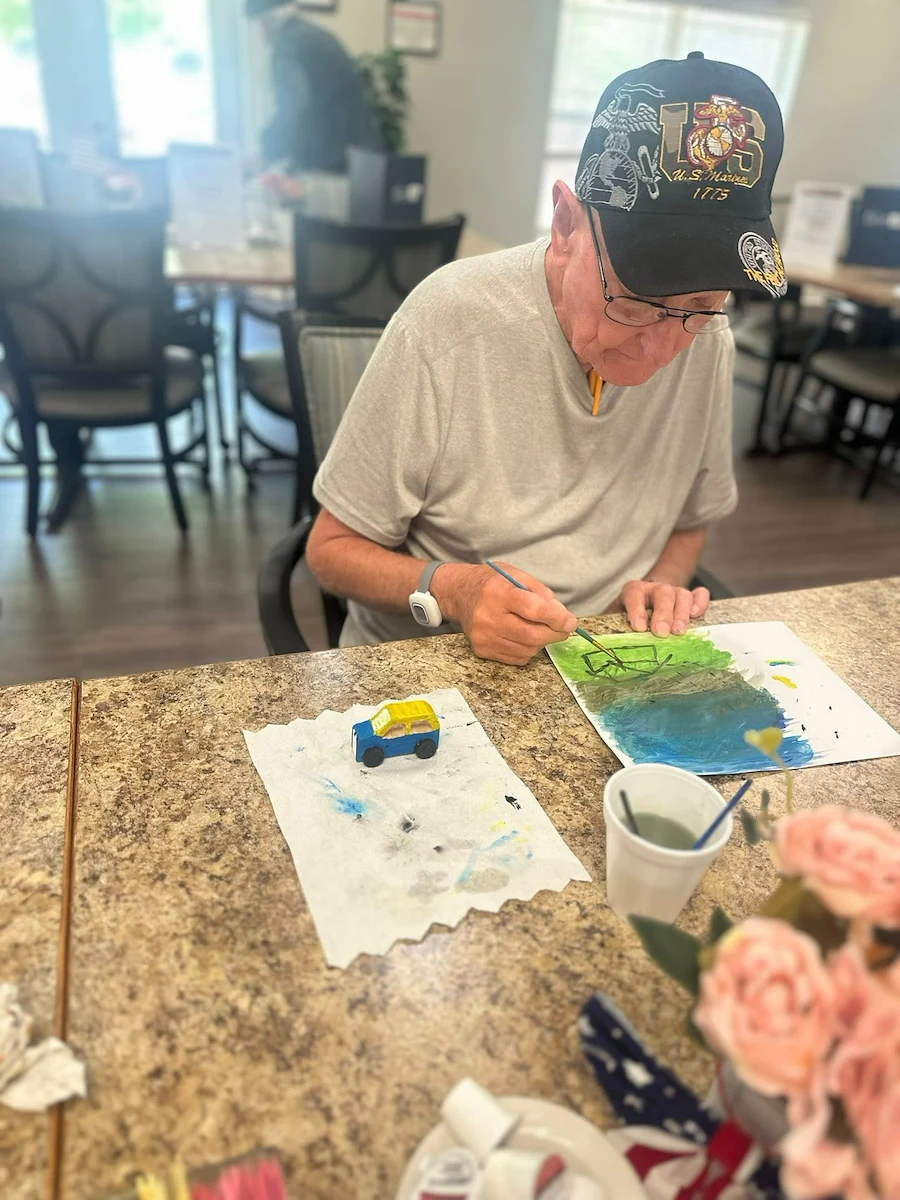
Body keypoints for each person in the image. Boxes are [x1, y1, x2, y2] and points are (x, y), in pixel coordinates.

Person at [306, 53, 787, 665]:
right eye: (636, 303)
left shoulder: (707, 340)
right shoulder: (448, 320)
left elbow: (693, 518)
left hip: (605, 660)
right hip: (436, 669)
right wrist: (455, 588)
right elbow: (330, 549)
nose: (663, 347)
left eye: (700, 304)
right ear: (566, 223)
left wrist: (664, 580)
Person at [246, 0, 384, 175]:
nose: (261, 36)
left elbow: (295, 109)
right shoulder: (319, 36)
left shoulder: (287, 45)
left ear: (268, 21)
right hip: (360, 161)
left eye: (259, 25)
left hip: (331, 165)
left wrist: (265, 152)